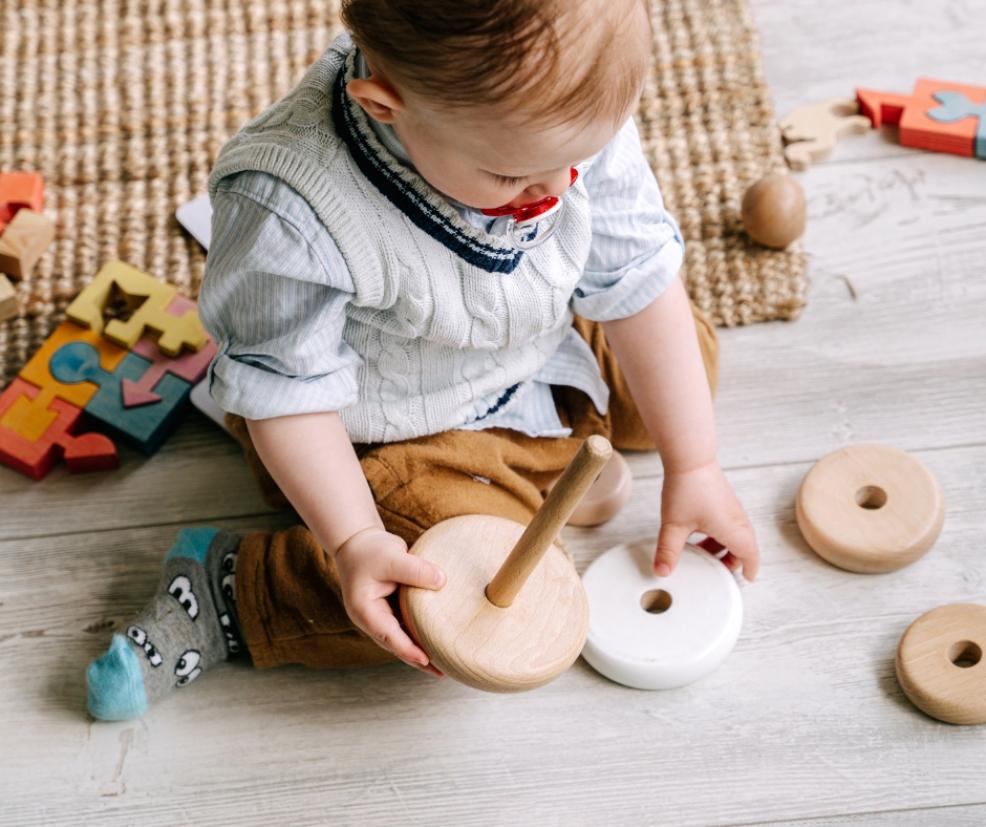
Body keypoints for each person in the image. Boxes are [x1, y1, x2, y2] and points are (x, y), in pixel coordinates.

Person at [86, 0, 759, 721]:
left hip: (531, 342)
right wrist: (353, 540)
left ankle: (548, 452)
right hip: (384, 429)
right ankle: (232, 591)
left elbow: (634, 275)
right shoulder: (289, 207)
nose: (558, 189)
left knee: (685, 362)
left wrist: (696, 465)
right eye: (513, 178)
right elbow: (288, 397)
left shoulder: (554, 123)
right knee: (442, 595)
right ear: (384, 106)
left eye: (575, 159)